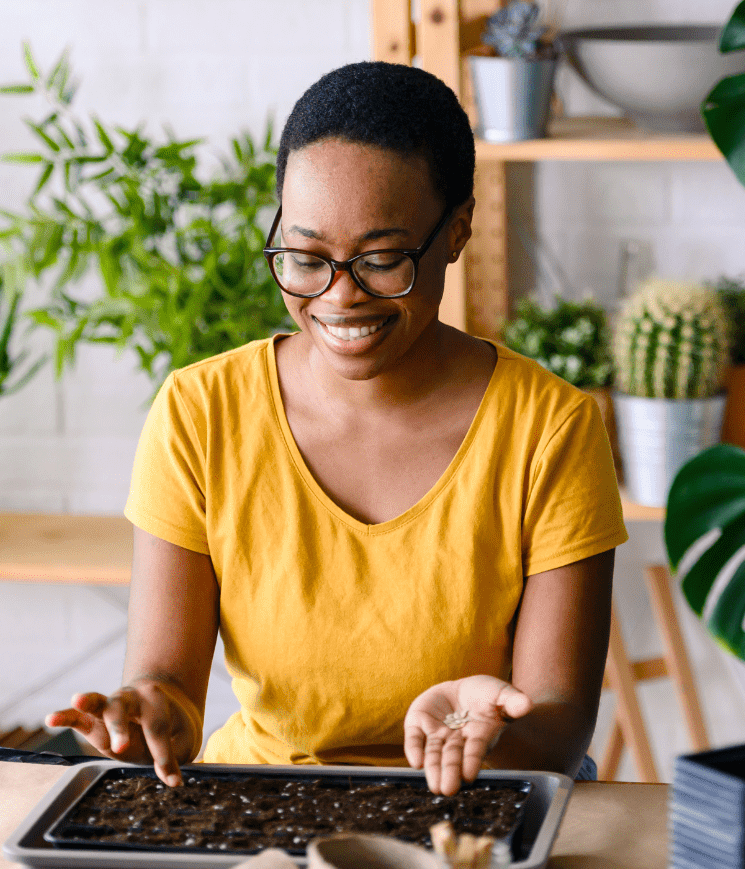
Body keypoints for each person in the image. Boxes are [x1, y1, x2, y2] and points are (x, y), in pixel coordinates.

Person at [47, 61, 626, 794]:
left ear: (456, 232)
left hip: (470, 803)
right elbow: (170, 686)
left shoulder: (550, 429)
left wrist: (498, 734)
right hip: (259, 803)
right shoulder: (201, 413)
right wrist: (147, 716)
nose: (339, 297)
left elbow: (560, 719)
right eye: (306, 257)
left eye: (383, 259)